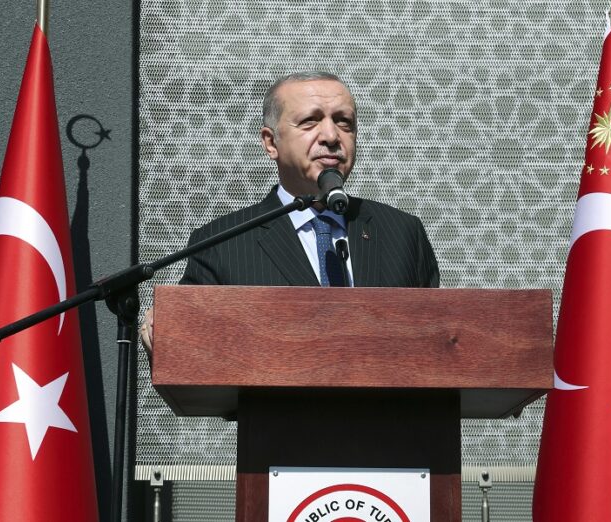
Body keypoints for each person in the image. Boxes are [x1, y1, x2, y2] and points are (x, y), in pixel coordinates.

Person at [141, 72, 439, 351]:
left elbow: (436, 339)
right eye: (310, 121)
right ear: (271, 143)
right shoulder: (221, 243)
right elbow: (192, 350)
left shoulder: (402, 233)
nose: (332, 137)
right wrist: (168, 331)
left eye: (344, 122)